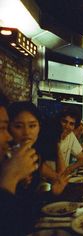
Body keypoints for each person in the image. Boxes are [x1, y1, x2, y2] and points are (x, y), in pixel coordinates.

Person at [0, 95, 39, 235]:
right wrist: (10, 178)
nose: (27, 133)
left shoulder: (31, 157)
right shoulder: (9, 161)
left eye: (33, 125)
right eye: (2, 128)